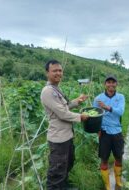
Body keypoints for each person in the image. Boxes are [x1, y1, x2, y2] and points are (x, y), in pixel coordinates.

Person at [40, 59, 89, 190]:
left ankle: (64, 186)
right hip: (58, 139)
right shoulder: (47, 91)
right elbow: (62, 113)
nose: (58, 73)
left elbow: (65, 106)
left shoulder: (56, 89)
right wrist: (81, 117)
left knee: (67, 164)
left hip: (67, 136)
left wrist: (77, 101)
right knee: (57, 171)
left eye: (60, 70)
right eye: (54, 70)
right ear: (47, 73)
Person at [93, 75, 125, 190]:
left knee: (119, 158)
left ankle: (118, 181)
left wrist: (107, 107)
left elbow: (120, 112)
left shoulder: (120, 97)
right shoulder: (98, 99)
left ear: (116, 84)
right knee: (104, 159)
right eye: (108, 82)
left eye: (113, 82)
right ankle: (107, 185)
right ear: (105, 84)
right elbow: (95, 115)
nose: (111, 85)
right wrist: (98, 130)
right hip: (104, 132)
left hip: (117, 131)